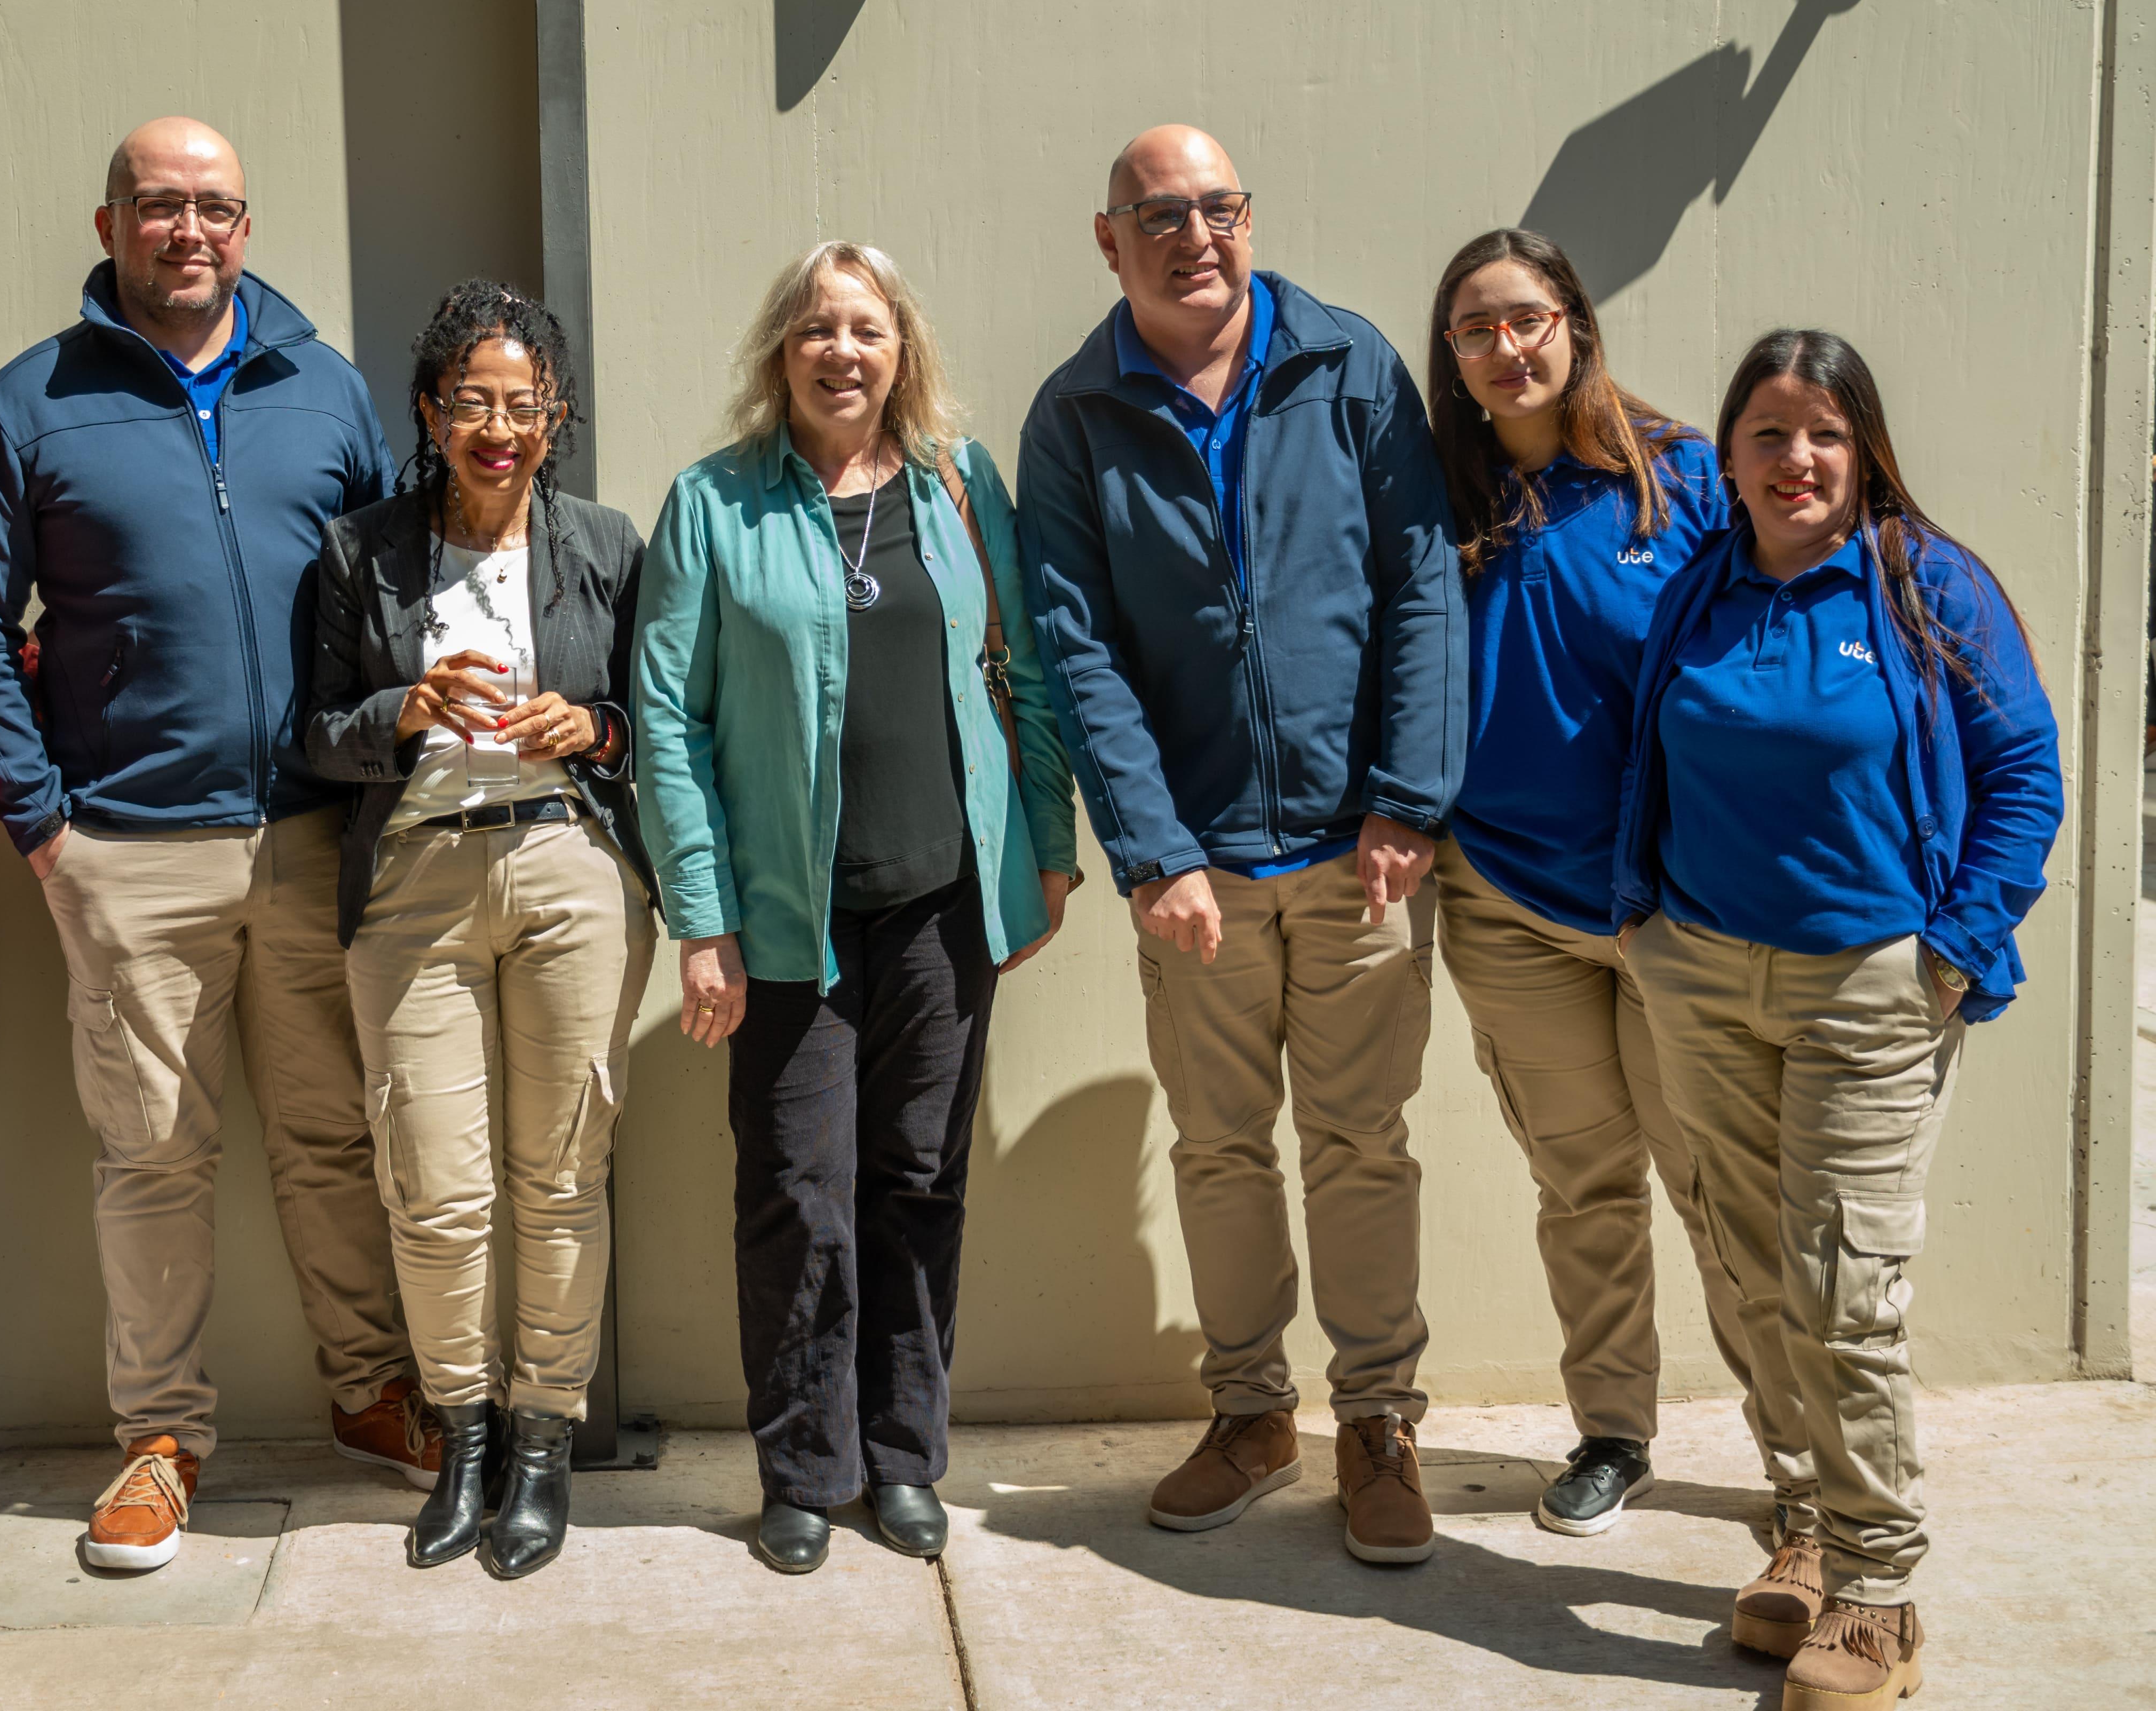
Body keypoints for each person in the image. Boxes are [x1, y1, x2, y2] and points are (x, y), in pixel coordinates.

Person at [0, 117, 417, 1574]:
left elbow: (389, 593)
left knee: (334, 1136)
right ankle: (160, 1437)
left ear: (248, 227)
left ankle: (369, 1391)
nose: (189, 231)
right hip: (129, 853)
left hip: (309, 837)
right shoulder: (30, 406)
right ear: (111, 225)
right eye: (161, 205)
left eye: (215, 206)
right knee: (150, 1155)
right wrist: (42, 826)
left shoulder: (324, 389)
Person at [1016, 125, 1463, 1565]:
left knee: (1361, 1147)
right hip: (1199, 862)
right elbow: (1078, 654)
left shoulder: (1350, 368)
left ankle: (1378, 1419)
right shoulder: (1075, 417)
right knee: (1220, 1151)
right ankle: (1252, 1412)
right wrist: (1151, 850)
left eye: (1217, 208)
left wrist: (1410, 796)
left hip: (1357, 850)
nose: (1193, 235)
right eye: (1159, 214)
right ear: (1109, 241)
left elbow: (1420, 590)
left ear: (1250, 220)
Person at [1615, 331, 2060, 1708]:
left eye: (1823, 433)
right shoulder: (1703, 589)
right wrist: (1642, 916)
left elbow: (2023, 771)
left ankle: (1876, 1591)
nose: (1796, 460)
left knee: (1844, 1289)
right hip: (1702, 971)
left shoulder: (1932, 587)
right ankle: (1804, 1526)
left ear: (1864, 449)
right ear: (1729, 457)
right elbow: (1650, 752)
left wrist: (1953, 954)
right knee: (1755, 1268)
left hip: (1871, 988)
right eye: (1767, 434)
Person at [636, 241, 1079, 1575]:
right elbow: (667, 716)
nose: (843, 351)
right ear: (782, 351)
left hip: (944, 906)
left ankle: (901, 1458)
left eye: (866, 330)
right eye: (818, 328)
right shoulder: (713, 504)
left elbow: (1027, 670)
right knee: (792, 1193)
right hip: (784, 923)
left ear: (902, 352)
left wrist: (1046, 846)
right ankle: (801, 1467)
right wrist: (700, 919)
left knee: (918, 1183)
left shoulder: (960, 484)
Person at [306, 282, 653, 1580]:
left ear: (554, 419)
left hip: (570, 868)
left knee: (561, 1172)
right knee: (435, 1187)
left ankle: (544, 1440)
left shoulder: (607, 544)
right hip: (414, 882)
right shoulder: (362, 551)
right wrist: (399, 710)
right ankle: (461, 1440)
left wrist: (595, 728)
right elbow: (313, 733)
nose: (498, 429)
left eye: (523, 406)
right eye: (473, 404)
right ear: (430, 413)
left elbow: (650, 717)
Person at [1422, 227, 1762, 1538]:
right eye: (1471, 331)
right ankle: (1612, 1432)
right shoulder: (1437, 499)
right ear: (1448, 356)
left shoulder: (1678, 481)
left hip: (1669, 912)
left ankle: (1801, 1468)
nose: (1502, 350)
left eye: (1523, 319)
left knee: (1724, 1196)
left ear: (1572, 319)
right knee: (1583, 1189)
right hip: (1505, 903)